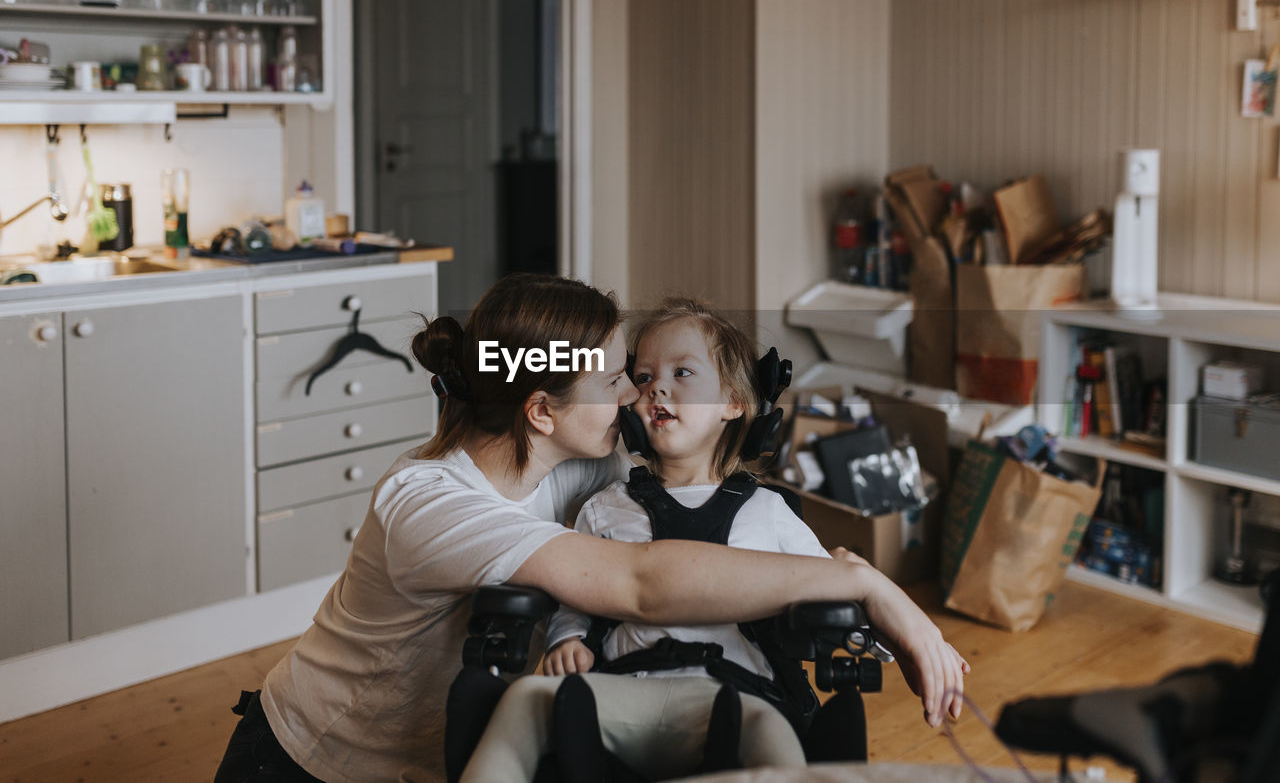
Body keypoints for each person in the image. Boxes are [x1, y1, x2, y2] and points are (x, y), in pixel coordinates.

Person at [214, 273, 968, 783]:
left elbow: (697, 522)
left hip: (434, 760)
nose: (635, 394)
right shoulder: (427, 503)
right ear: (541, 410)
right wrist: (864, 578)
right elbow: (642, 582)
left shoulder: (582, 468)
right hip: (314, 763)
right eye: (616, 378)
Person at [459, 297, 859, 781]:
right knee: (526, 699)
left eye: (683, 373)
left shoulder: (769, 512)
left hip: (735, 696)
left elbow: (824, 582)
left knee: (776, 738)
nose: (656, 389)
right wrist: (568, 638)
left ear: (733, 401)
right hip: (627, 690)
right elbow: (575, 599)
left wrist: (854, 589)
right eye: (642, 378)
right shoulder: (605, 507)